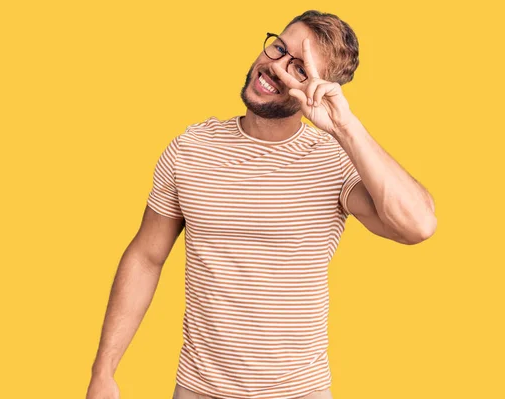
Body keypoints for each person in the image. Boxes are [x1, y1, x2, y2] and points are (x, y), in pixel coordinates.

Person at [86, 9, 437, 399]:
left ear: (324, 88)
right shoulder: (191, 149)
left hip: (299, 391)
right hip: (199, 389)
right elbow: (146, 257)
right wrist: (104, 370)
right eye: (278, 49)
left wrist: (345, 127)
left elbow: (418, 225)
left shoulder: (335, 160)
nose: (275, 68)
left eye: (300, 69)